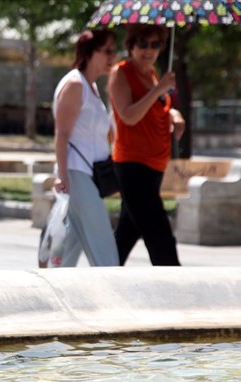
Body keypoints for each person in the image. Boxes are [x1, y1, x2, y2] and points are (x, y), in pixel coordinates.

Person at [107, 24, 186, 266]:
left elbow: (153, 108)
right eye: (142, 44)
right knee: (159, 235)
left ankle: (101, 276)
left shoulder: (153, 74)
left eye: (155, 45)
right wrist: (160, 89)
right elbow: (128, 115)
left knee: (126, 235)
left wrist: (173, 113)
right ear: (130, 45)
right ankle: (177, 290)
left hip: (155, 164)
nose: (148, 50)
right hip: (132, 164)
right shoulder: (121, 73)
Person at [52, 29, 119, 267]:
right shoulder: (75, 84)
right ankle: (114, 293)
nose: (113, 55)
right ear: (90, 53)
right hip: (76, 173)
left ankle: (53, 288)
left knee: (71, 244)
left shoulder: (91, 86)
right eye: (107, 50)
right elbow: (62, 134)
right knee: (103, 245)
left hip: (87, 174)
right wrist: (62, 175)